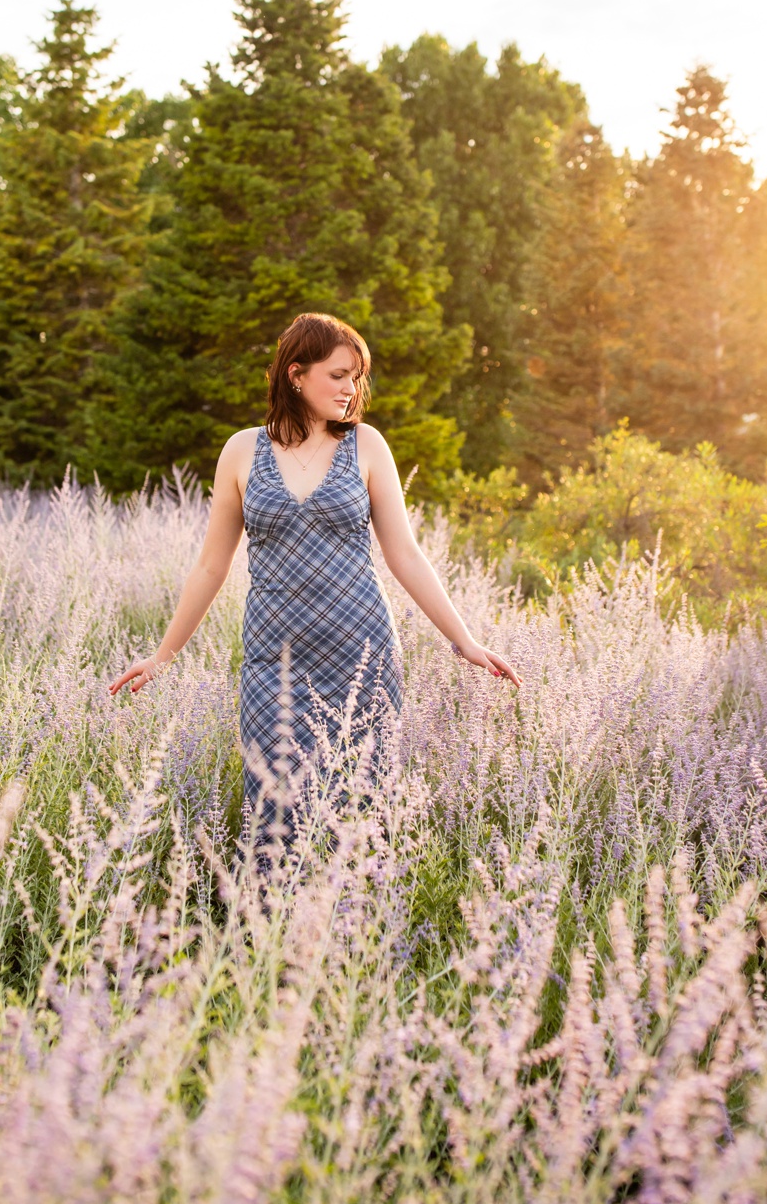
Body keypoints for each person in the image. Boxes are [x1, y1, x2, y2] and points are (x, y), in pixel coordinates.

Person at [108, 312, 518, 863]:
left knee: (362, 815)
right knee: (273, 818)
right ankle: (269, 918)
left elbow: (404, 554)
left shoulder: (367, 445)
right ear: (296, 374)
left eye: (357, 377)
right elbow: (211, 566)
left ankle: (355, 918)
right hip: (273, 667)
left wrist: (463, 640)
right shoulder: (241, 451)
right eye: (338, 375)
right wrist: (164, 655)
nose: (351, 389)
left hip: (363, 660)